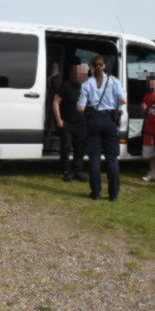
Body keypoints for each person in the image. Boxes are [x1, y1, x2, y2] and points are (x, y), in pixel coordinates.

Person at [77, 55, 127, 201]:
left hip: (94, 121)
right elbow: (123, 100)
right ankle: (113, 195)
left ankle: (96, 193)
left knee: (94, 158)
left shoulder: (87, 84)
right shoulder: (114, 81)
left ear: (91, 67)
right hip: (110, 121)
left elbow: (80, 108)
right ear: (103, 66)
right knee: (112, 159)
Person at [52, 61, 88, 182]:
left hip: (82, 124)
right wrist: (59, 120)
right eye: (80, 73)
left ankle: (78, 172)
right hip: (67, 123)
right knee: (66, 148)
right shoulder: (65, 86)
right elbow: (56, 102)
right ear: (74, 74)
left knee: (80, 149)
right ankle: (66, 172)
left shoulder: (86, 87)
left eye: (84, 73)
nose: (82, 76)